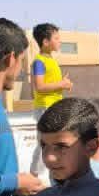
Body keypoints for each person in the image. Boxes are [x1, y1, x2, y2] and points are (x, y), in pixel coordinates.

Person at [0, 18, 44, 196]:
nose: (19, 71)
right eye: (21, 61)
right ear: (10, 59)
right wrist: (15, 181)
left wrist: (20, 187)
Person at [28, 23, 73, 177]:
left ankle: (54, 175)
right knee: (45, 143)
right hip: (45, 108)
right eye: (56, 38)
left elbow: (51, 84)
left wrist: (64, 85)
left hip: (54, 107)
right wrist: (62, 84)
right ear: (46, 42)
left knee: (55, 142)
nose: (59, 41)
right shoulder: (39, 62)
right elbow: (39, 87)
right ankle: (33, 176)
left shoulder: (51, 60)